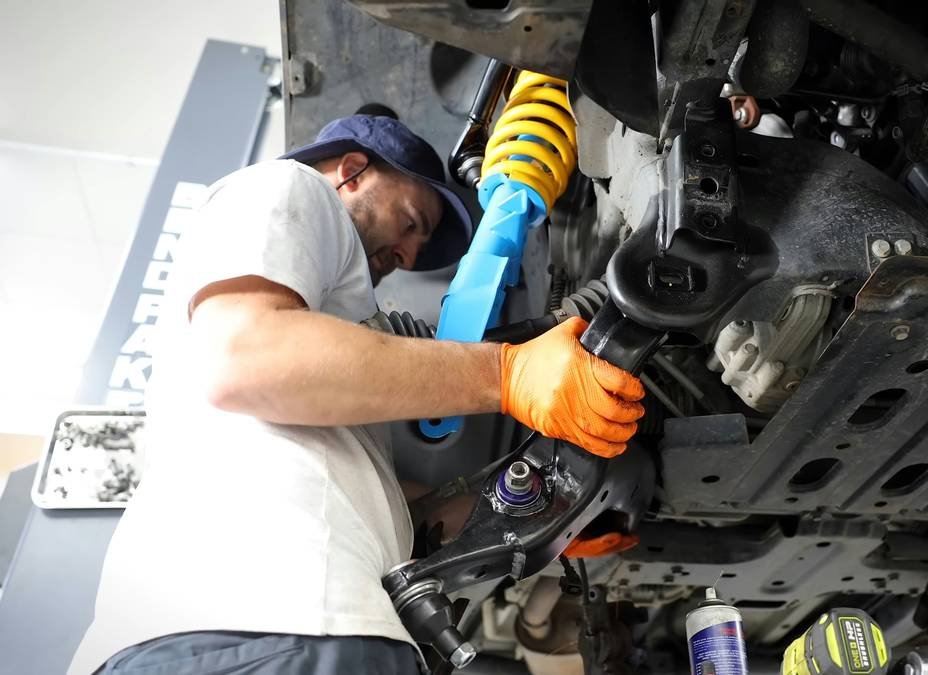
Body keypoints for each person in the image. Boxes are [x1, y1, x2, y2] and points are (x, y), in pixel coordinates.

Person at [68, 115, 646, 675]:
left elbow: (385, 506)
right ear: (351, 170)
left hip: (268, 630)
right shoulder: (287, 188)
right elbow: (246, 358)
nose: (410, 256)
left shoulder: (315, 387)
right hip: (261, 630)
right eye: (414, 222)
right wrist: (506, 374)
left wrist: (554, 514)